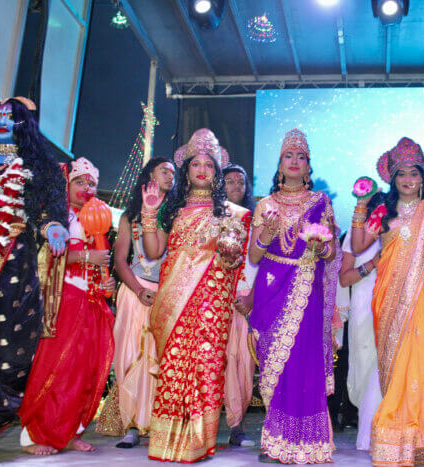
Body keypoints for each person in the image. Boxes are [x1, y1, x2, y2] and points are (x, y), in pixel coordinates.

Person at [350, 137, 424, 466]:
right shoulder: (383, 211)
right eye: (402, 173)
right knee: (398, 361)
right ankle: (392, 436)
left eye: (414, 173)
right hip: (390, 294)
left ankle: (423, 441)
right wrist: (361, 204)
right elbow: (358, 247)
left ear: (423, 176)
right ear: (392, 177)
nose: (408, 179)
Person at [142, 129, 251, 462]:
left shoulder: (231, 213)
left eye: (209, 165)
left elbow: (233, 261)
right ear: (186, 169)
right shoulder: (170, 209)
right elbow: (152, 251)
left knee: (205, 366)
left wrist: (231, 252)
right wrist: (148, 213)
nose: (202, 170)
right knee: (174, 366)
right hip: (174, 297)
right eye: (196, 164)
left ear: (217, 173)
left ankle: (199, 443)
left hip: (211, 302)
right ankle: (166, 442)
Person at [247, 129, 339, 464]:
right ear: (280, 164)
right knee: (274, 362)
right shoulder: (265, 205)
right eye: (290, 156)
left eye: (301, 157)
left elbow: (330, 256)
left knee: (303, 360)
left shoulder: (320, 202)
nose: (295, 161)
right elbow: (255, 257)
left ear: (308, 166)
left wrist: (321, 247)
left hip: (306, 288)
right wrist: (266, 235)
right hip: (272, 286)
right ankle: (274, 441)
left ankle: (309, 442)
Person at [19, 157, 116, 455]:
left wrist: (106, 284)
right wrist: (87, 259)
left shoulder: (97, 218)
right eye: (80, 182)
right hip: (64, 300)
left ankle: (71, 432)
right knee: (56, 367)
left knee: (84, 372)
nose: (86, 188)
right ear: (67, 185)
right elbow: (47, 258)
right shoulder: (57, 218)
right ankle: (34, 435)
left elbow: (101, 263)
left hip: (92, 302)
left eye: (92, 184)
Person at [0, 97, 69, 435]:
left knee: (10, 341)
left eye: (10, 117)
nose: (2, 121)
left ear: (24, 123)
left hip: (14, 263)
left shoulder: (39, 165)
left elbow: (48, 209)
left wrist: (52, 225)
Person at [110, 157, 175, 448]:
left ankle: (155, 423)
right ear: (150, 174)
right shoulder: (130, 217)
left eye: (173, 173)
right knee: (128, 356)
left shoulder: (176, 216)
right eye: (164, 171)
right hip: (133, 292)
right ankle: (131, 424)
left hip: (166, 294)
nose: (170, 176)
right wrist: (138, 290)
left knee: (158, 359)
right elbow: (120, 261)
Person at [338, 191, 385, 450]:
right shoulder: (355, 238)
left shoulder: (397, 232)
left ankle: (389, 431)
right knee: (367, 366)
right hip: (365, 304)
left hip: (393, 303)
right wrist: (374, 264)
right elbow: (344, 279)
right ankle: (369, 431)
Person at [221, 163, 257, 447]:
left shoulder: (258, 220)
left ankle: (236, 425)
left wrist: (251, 298)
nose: (235, 186)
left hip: (248, 301)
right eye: (229, 181)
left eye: (240, 182)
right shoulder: (213, 217)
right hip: (216, 301)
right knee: (217, 362)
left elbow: (267, 263)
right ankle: (203, 424)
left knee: (243, 363)